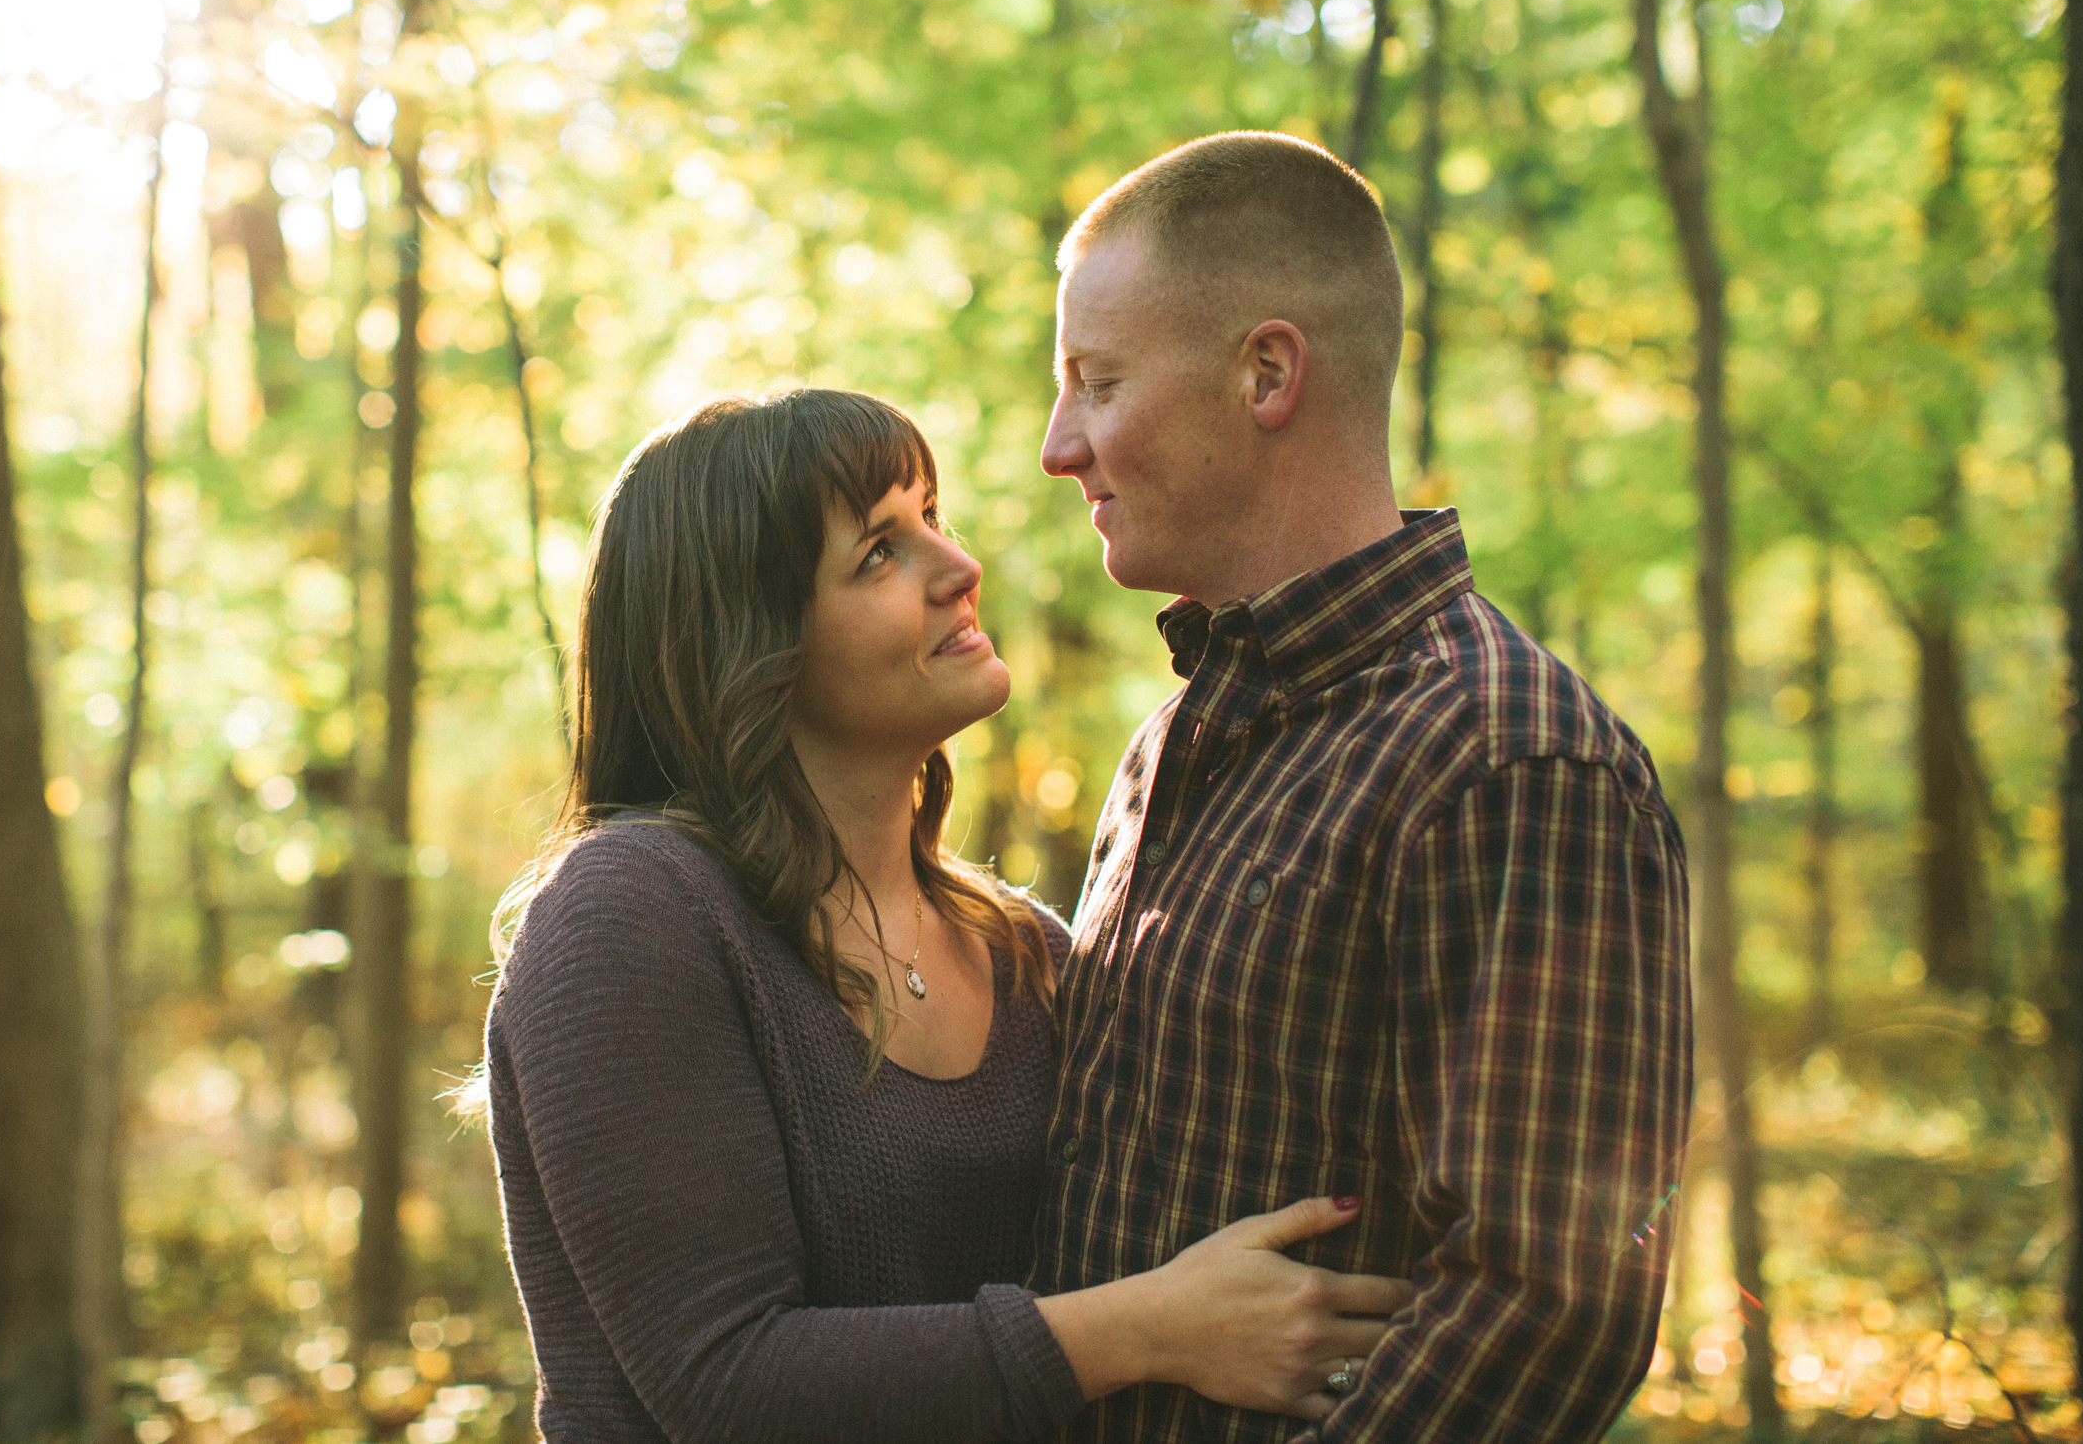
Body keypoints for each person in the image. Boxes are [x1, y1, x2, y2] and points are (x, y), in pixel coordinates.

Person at [476, 389, 1415, 1444]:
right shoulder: (633, 914)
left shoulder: (1021, 948)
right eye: (879, 550)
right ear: (745, 637)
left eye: (935, 514)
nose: (957, 566)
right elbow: (728, 1380)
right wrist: (1150, 1328)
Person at [1033, 132, 1694, 1443]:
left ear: (1266, 371)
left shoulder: (1505, 755)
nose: (1062, 444)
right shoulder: (1176, 739)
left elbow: (1546, 1297)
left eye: (1097, 383)